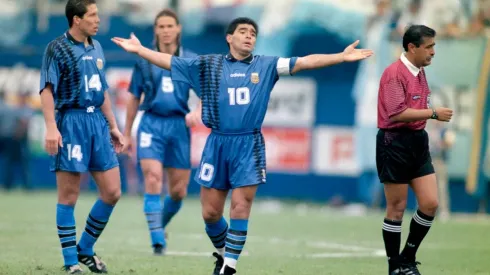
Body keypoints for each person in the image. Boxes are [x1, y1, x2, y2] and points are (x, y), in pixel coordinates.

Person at [112, 17, 373, 275]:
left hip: (248, 145)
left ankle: (230, 267)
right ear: (229, 37)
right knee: (211, 213)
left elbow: (304, 62)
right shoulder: (208, 64)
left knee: (240, 206)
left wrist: (340, 56)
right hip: (217, 143)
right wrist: (141, 51)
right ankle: (225, 255)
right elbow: (170, 62)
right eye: (243, 31)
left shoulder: (267, 65)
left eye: (253, 33)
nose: (249, 36)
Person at [39, 0, 124, 273]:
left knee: (112, 192)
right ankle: (70, 263)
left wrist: (113, 126)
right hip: (71, 122)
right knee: (69, 196)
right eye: (93, 15)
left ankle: (85, 249)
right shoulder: (57, 48)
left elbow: (103, 90)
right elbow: (46, 90)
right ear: (76, 19)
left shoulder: (97, 47)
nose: (98, 20)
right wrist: (51, 127)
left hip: (96, 123)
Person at [376, 25, 453, 275]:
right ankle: (394, 268)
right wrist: (433, 113)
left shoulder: (419, 71)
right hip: (394, 142)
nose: (433, 52)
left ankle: (407, 258)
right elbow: (396, 113)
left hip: (417, 142)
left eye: (434, 46)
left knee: (430, 203)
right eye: (429, 47)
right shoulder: (394, 73)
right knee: (396, 209)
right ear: (412, 47)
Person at [124, 8, 200, 255]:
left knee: (178, 191)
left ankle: (159, 225)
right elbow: (134, 97)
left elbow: (206, 93)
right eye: (161, 26)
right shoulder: (144, 60)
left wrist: (197, 111)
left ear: (178, 29)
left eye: (170, 26)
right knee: (153, 178)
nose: (166, 31)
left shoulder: (190, 60)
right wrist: (126, 133)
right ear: (155, 30)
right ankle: (157, 239)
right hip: (152, 124)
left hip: (179, 126)